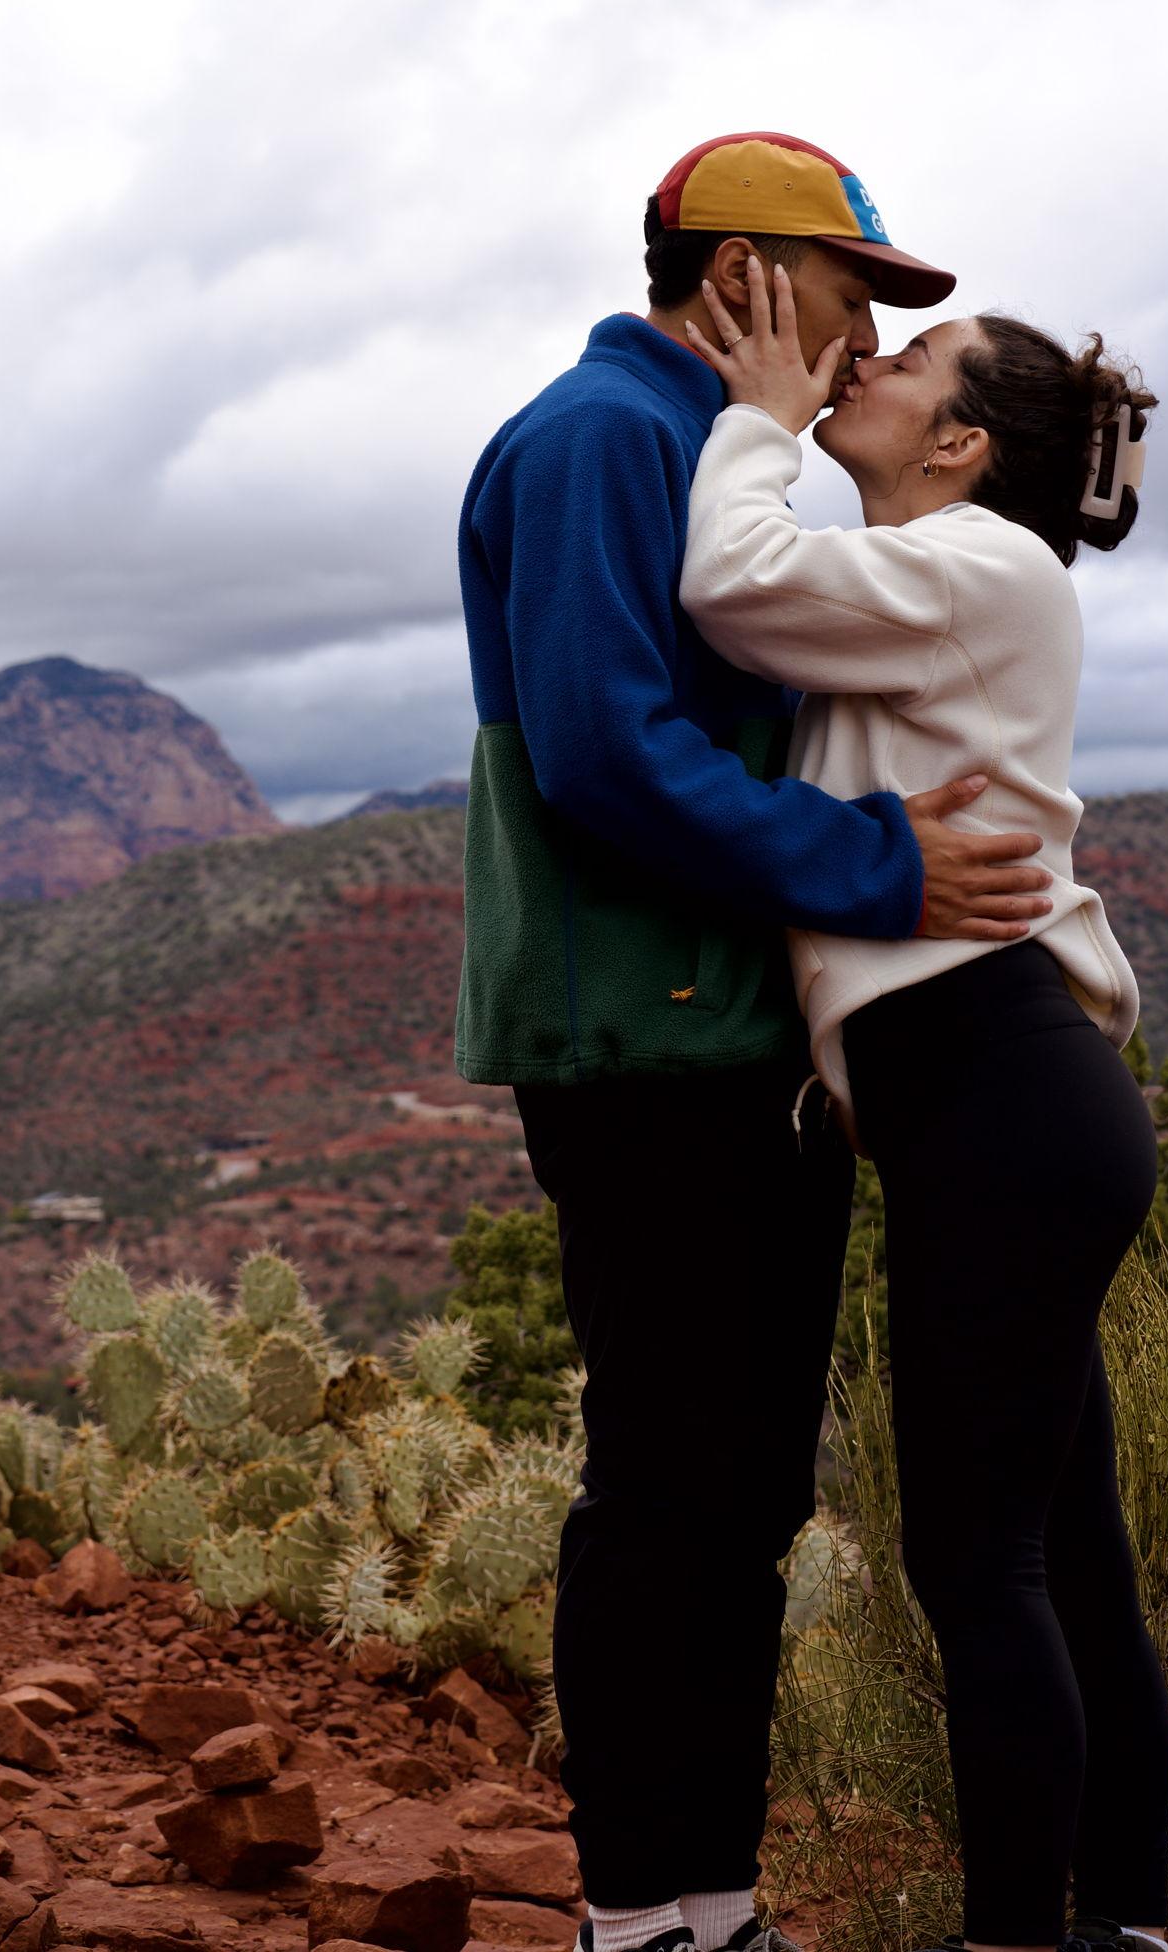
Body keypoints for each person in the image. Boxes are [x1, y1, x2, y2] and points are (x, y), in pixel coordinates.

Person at [454, 132, 1058, 1952]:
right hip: (651, 1045)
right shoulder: (601, 440)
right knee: (667, 1491)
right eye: (856, 287)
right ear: (746, 276)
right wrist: (883, 867)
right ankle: (636, 1922)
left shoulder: (700, 457)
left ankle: (709, 1911)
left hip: (737, 1050)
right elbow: (603, 751)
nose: (869, 332)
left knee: (741, 1497)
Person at [675, 259, 1168, 1952]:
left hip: (998, 1097)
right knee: (1064, 1556)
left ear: (958, 446)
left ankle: (1020, 1940)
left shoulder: (973, 562)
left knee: (982, 1568)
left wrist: (753, 420)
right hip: (1011, 1101)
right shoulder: (951, 565)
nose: (865, 367)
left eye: (909, 364)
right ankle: (1125, 1927)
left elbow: (734, 584)